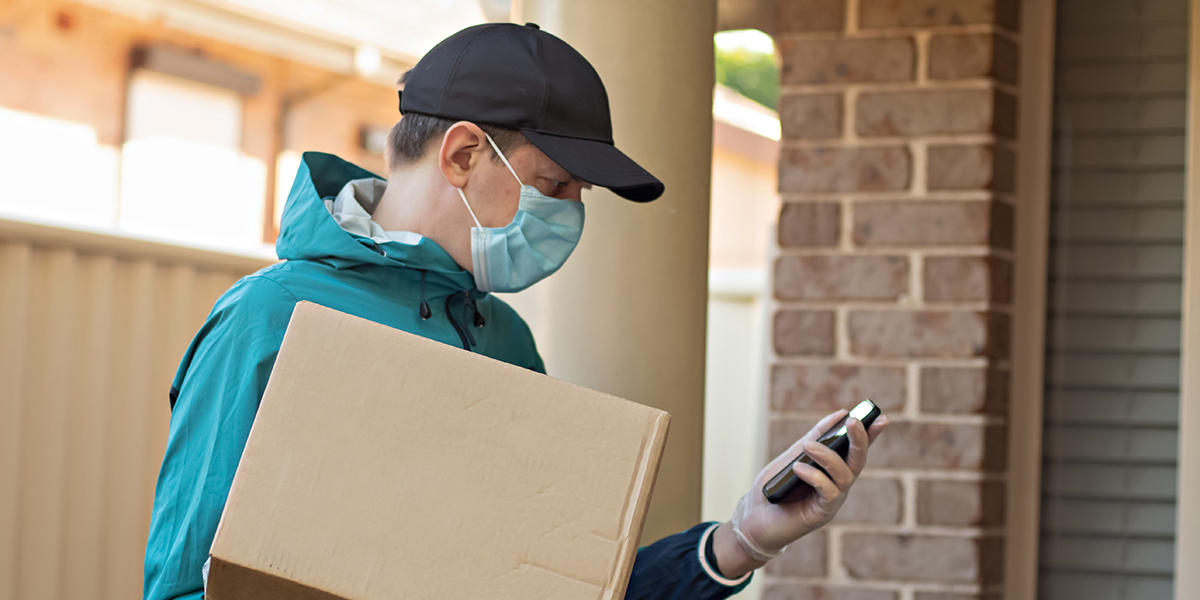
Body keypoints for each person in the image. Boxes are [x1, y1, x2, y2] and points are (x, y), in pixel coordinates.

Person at [143, 22, 888, 600]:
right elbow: (181, 584)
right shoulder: (268, 319)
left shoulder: (504, 339)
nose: (569, 214)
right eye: (555, 184)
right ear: (464, 154)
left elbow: (552, 581)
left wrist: (742, 538)